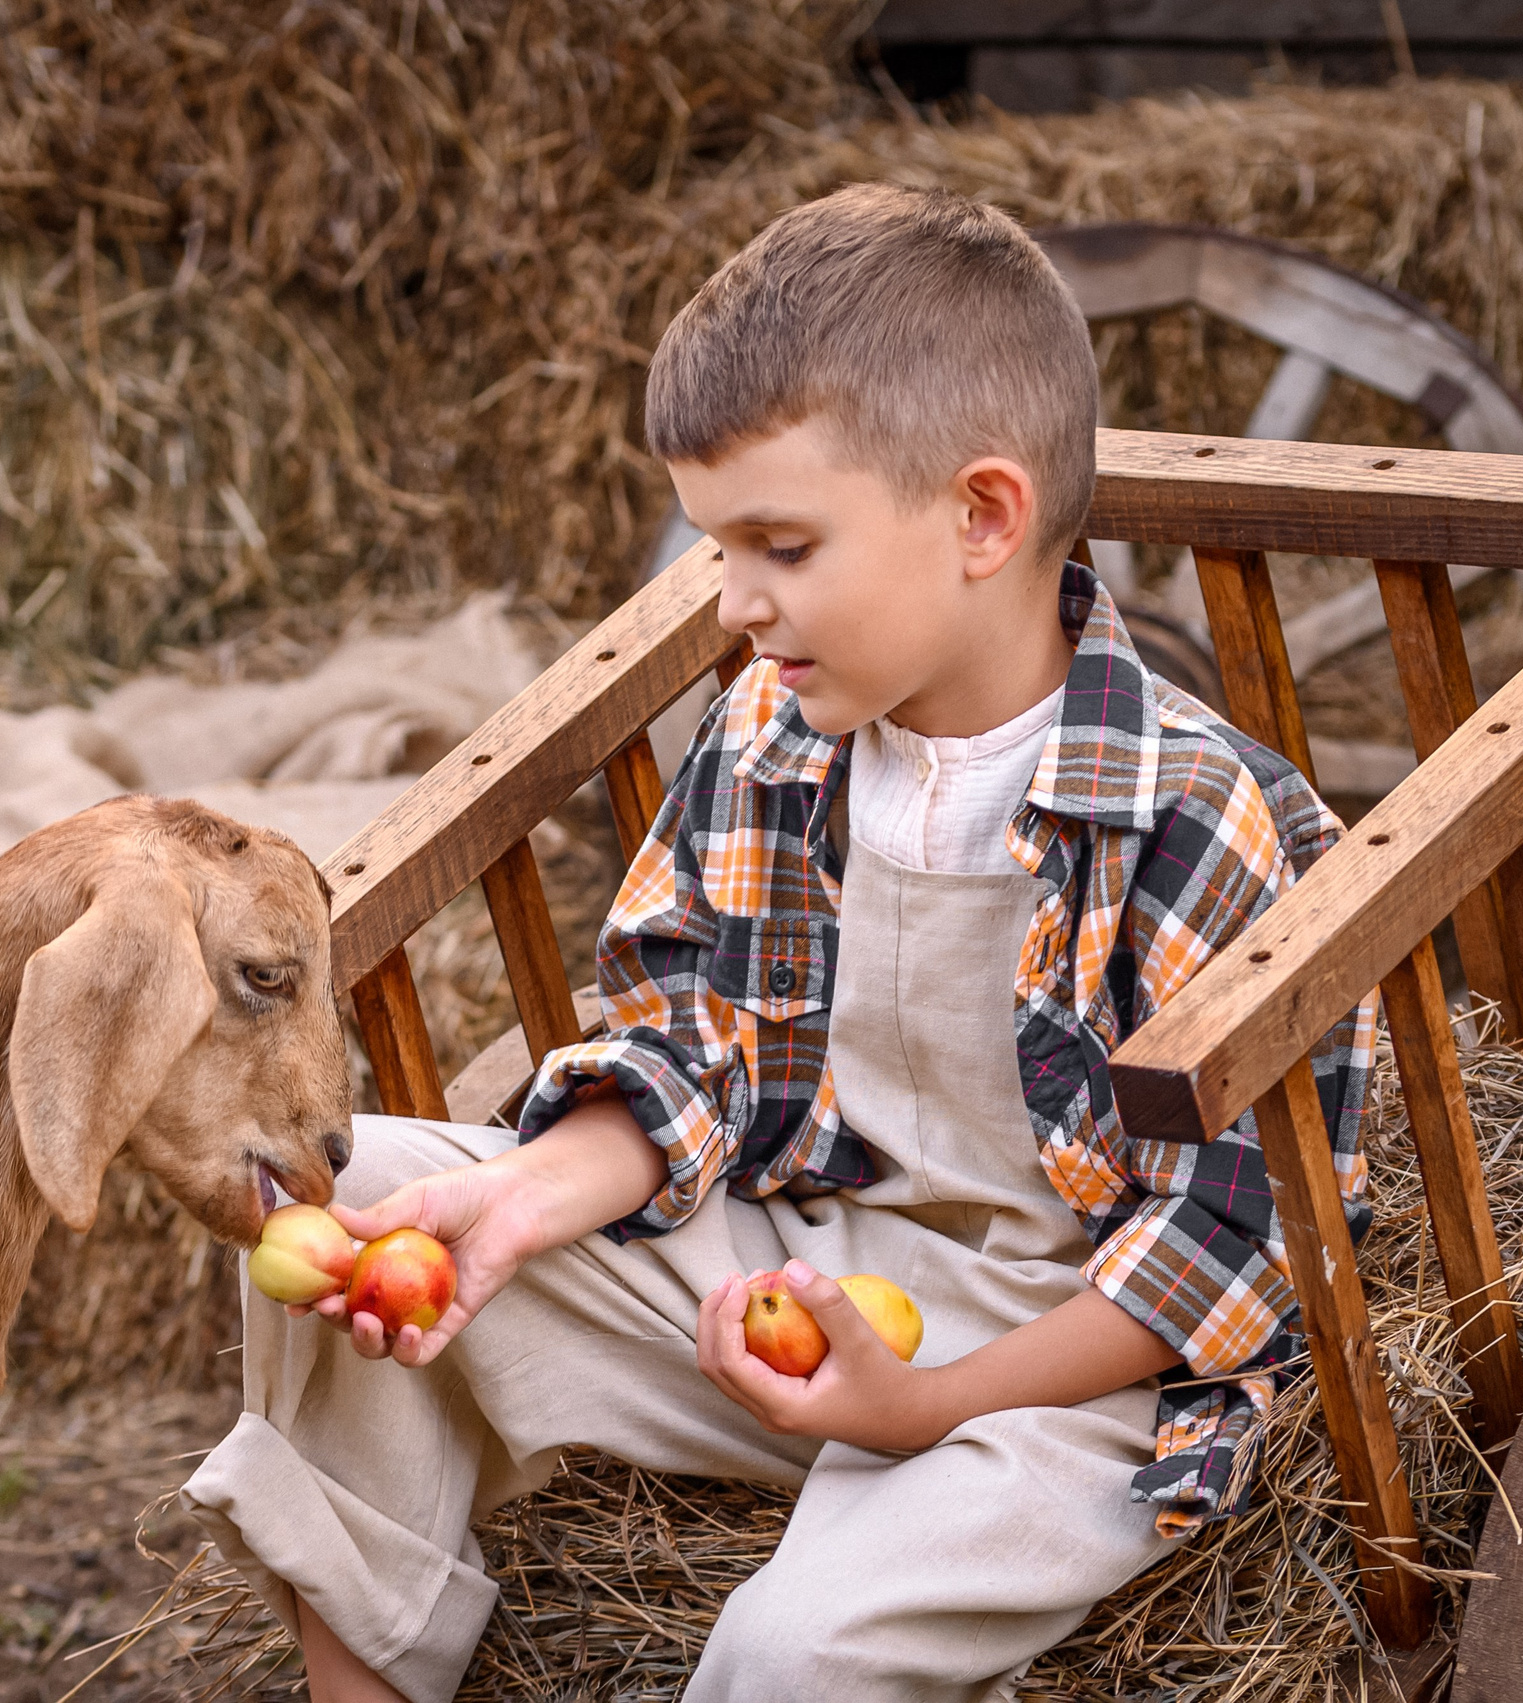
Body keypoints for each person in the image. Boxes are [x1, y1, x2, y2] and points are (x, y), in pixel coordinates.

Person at [179, 182, 1374, 1703]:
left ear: (985, 518)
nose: (734, 603)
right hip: (797, 1280)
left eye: (779, 545)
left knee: (791, 1654)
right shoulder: (774, 736)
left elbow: (1227, 1254)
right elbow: (696, 1048)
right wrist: (528, 1197)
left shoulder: (1197, 817)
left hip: (1062, 1374)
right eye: (719, 547)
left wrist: (917, 1407)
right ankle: (380, 1668)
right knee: (377, 1202)